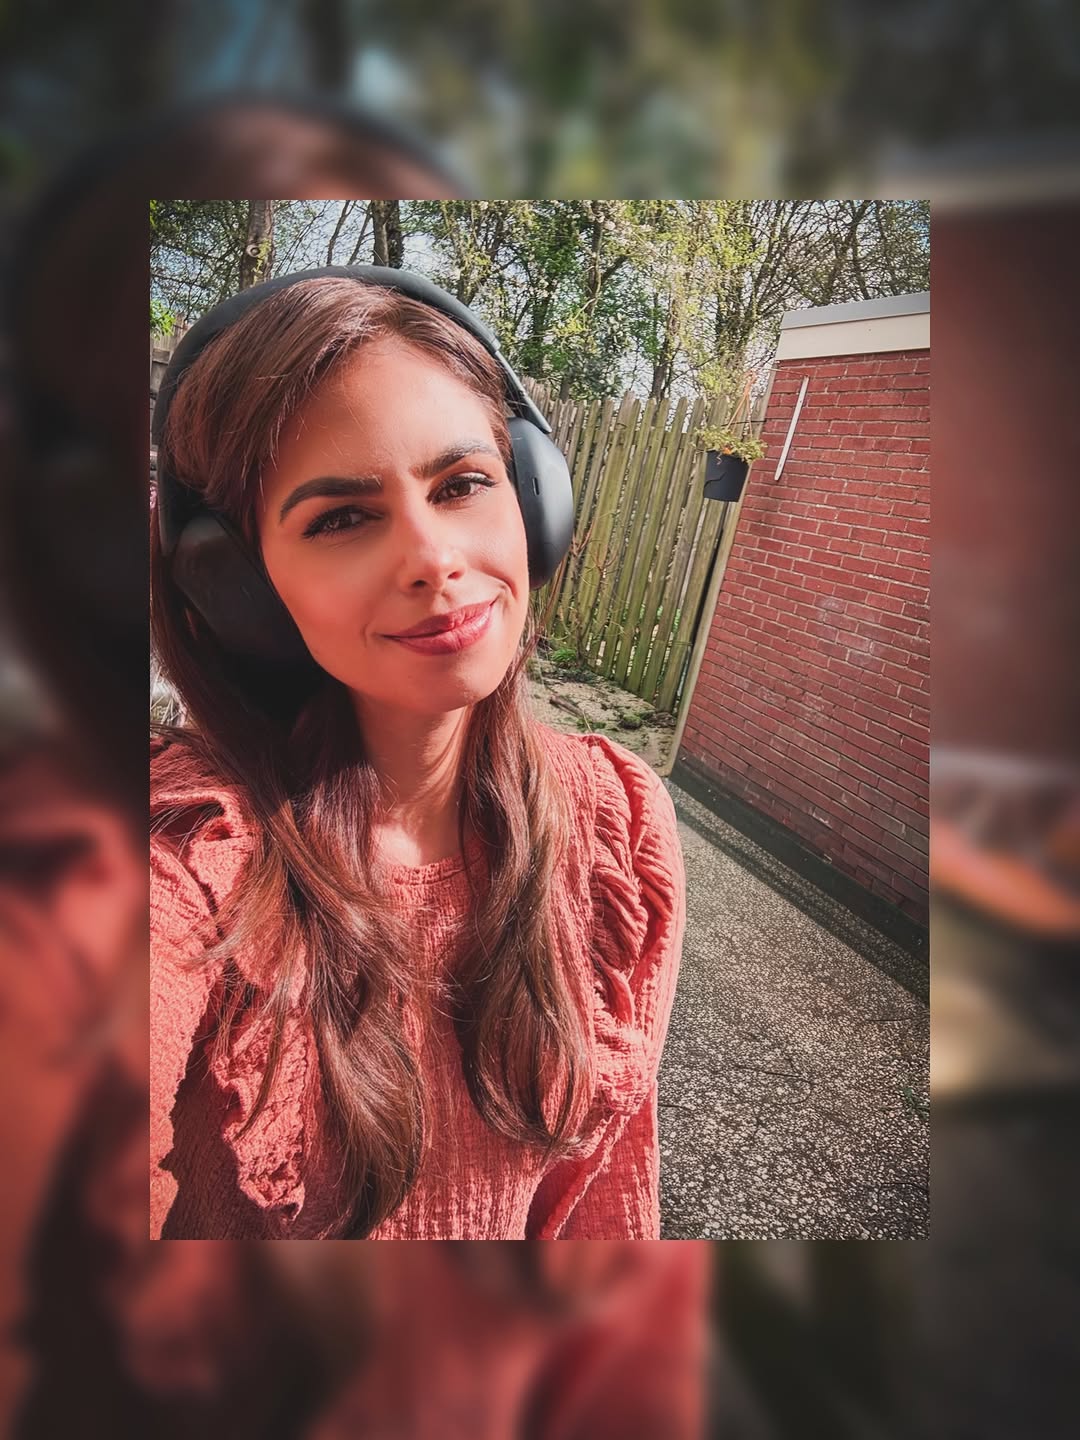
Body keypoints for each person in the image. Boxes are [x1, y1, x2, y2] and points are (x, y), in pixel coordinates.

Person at [149, 267, 687, 1240]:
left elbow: (604, 1201)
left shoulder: (619, 821)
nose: (435, 559)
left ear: (534, 499)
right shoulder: (183, 853)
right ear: (237, 589)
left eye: (463, 484)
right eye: (342, 518)